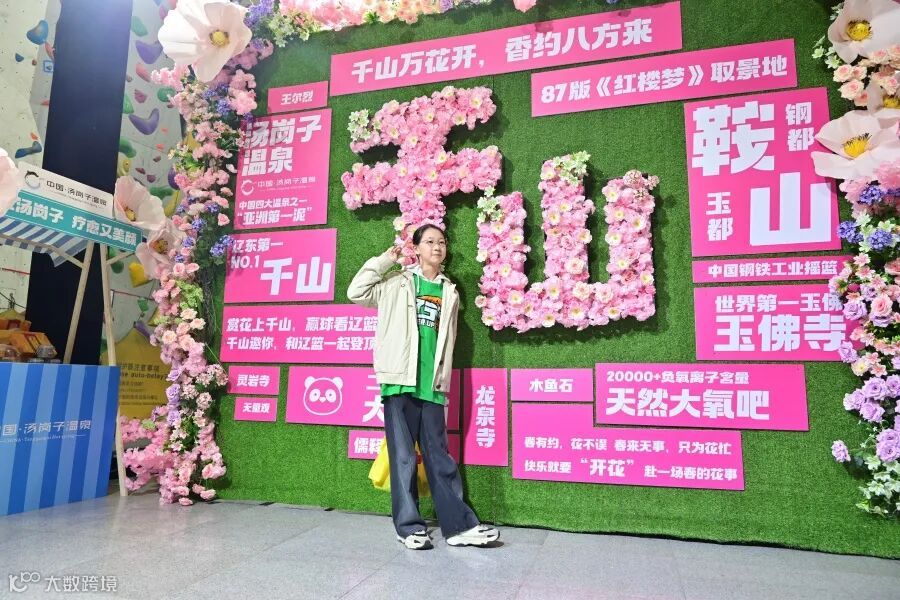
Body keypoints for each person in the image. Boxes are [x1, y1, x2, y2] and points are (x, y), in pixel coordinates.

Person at [348, 224, 500, 550]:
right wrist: (385, 261)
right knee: (403, 458)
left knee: (439, 457)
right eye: (429, 241)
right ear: (416, 249)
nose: (437, 247)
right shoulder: (396, 283)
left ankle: (458, 527)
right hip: (399, 382)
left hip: (432, 383)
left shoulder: (449, 291)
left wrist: (442, 379)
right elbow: (356, 292)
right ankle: (408, 528)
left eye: (441, 242)